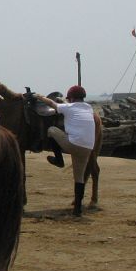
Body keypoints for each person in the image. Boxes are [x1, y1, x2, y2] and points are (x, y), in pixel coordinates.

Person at [36, 85, 95, 217]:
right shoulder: (89, 108)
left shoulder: (69, 107)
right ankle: (78, 209)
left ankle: (59, 159)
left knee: (51, 130)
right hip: (88, 148)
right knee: (79, 178)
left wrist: (39, 97)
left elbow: (52, 103)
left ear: (72, 98)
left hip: (73, 144)